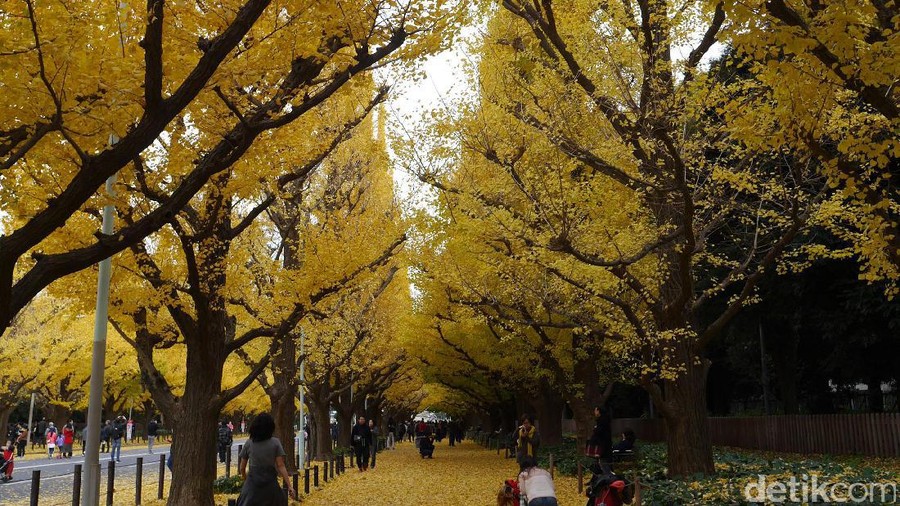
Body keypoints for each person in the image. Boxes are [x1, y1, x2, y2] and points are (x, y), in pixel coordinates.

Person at [236, 413, 296, 506]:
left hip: (252, 486)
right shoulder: (275, 443)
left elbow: (242, 468)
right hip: (270, 486)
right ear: (271, 428)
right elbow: (281, 466)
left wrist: (246, 480)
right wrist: (289, 486)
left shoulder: (249, 443)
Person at [585, 406, 612, 473]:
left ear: (599, 411)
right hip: (602, 444)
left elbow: (599, 432)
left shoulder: (603, 421)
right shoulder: (602, 420)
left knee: (603, 463)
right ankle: (596, 478)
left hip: (602, 445)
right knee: (598, 463)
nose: (594, 412)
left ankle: (608, 477)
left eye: (595, 410)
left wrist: (595, 429)